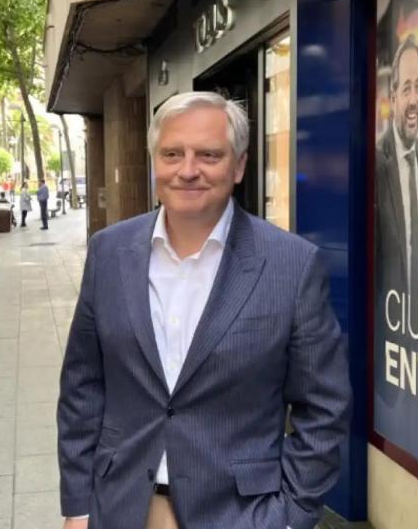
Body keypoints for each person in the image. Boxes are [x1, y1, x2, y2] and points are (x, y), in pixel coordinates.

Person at [57, 91, 351, 529]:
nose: (188, 170)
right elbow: (82, 388)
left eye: (209, 155)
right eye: (172, 153)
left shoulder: (291, 264)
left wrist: (289, 517)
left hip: (241, 514)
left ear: (239, 166)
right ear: (155, 161)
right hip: (120, 507)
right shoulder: (109, 252)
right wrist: (78, 507)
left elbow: (324, 408)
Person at [373, 35, 418, 442]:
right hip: (390, 351)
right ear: (393, 96)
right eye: (406, 88)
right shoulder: (376, 163)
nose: (413, 99)